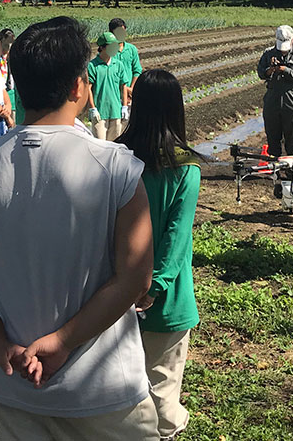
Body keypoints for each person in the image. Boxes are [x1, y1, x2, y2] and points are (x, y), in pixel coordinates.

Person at [0, 16, 158, 439]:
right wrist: (63, 341)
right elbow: (136, 276)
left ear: (18, 87)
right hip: (101, 388)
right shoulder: (116, 166)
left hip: (10, 380)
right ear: (79, 86)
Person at [115, 69, 201, 441]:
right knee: (162, 384)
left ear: (136, 105)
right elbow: (176, 234)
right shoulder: (185, 167)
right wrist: (157, 283)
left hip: (114, 292)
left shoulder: (117, 154)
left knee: (122, 384)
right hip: (166, 298)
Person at [257, 25, 293, 156]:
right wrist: (270, 70)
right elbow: (261, 73)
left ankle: (292, 169)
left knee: (292, 136)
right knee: (272, 134)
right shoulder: (268, 53)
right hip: (272, 98)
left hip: (291, 98)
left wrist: (285, 70)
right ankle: (274, 168)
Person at [87, 31, 129, 142]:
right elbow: (88, 88)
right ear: (102, 47)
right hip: (100, 113)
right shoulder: (93, 65)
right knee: (100, 145)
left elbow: (123, 86)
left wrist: (124, 106)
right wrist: (92, 108)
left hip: (116, 111)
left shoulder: (118, 64)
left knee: (115, 145)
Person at [109, 18, 143, 92]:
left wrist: (131, 88)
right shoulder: (107, 51)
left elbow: (137, 70)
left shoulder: (131, 49)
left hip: (130, 91)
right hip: (113, 91)